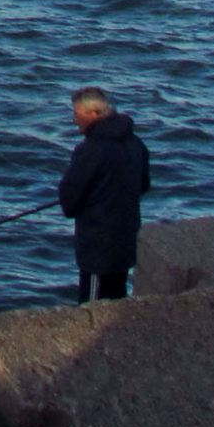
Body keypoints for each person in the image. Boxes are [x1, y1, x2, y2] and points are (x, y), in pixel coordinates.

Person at [58, 86, 150, 301]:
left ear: (93, 114)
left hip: (98, 246)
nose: (74, 120)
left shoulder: (91, 150)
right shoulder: (136, 143)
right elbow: (143, 185)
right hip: (126, 239)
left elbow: (69, 201)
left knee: (92, 306)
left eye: (76, 114)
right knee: (117, 296)